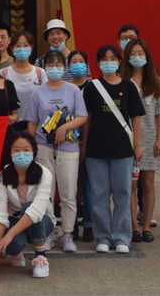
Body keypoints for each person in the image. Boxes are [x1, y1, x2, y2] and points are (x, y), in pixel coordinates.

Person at [82, 44, 144, 254]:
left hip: (123, 150)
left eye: (112, 58)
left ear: (119, 62)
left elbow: (135, 118)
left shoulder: (129, 87)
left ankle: (121, 237)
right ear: (98, 63)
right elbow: (87, 118)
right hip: (96, 151)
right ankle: (103, 236)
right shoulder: (92, 87)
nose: (108, 62)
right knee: (99, 195)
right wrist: (84, 146)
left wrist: (137, 146)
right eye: (104, 59)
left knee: (122, 194)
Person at [24, 49, 87, 253]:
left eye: (58, 64)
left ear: (64, 67)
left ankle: (68, 234)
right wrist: (31, 149)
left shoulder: (73, 90)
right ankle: (49, 232)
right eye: (50, 65)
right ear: (45, 68)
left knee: (68, 193)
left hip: (68, 148)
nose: (54, 68)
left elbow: (82, 117)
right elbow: (32, 122)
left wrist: (63, 128)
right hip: (43, 147)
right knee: (46, 193)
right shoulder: (38, 92)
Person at [120, 38, 160, 243]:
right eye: (133, 54)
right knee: (131, 185)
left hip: (149, 139)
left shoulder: (155, 80)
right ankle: (134, 227)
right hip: (126, 139)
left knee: (148, 183)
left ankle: (146, 226)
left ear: (147, 56)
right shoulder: (121, 80)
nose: (137, 57)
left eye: (141, 53)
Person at [0, 132, 54, 279]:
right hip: (15, 219)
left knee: (30, 207)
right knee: (12, 244)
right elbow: (1, 214)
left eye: (26, 150)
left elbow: (37, 211)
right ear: (10, 152)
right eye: (17, 150)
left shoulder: (44, 174)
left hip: (42, 221)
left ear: (34, 152)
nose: (21, 154)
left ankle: (41, 257)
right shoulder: (2, 177)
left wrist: (9, 235)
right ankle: (16, 254)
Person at [67, 49, 94, 243]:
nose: (78, 64)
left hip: (90, 143)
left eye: (81, 61)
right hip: (68, 142)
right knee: (70, 187)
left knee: (89, 186)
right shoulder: (65, 87)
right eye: (73, 62)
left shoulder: (94, 87)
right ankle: (72, 225)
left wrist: (85, 140)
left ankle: (89, 224)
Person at [2, 31, 45, 130]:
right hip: (11, 125)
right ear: (12, 49)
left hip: (36, 126)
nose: (22, 49)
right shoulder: (4, 73)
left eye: (26, 45)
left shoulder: (40, 73)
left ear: (32, 48)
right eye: (18, 46)